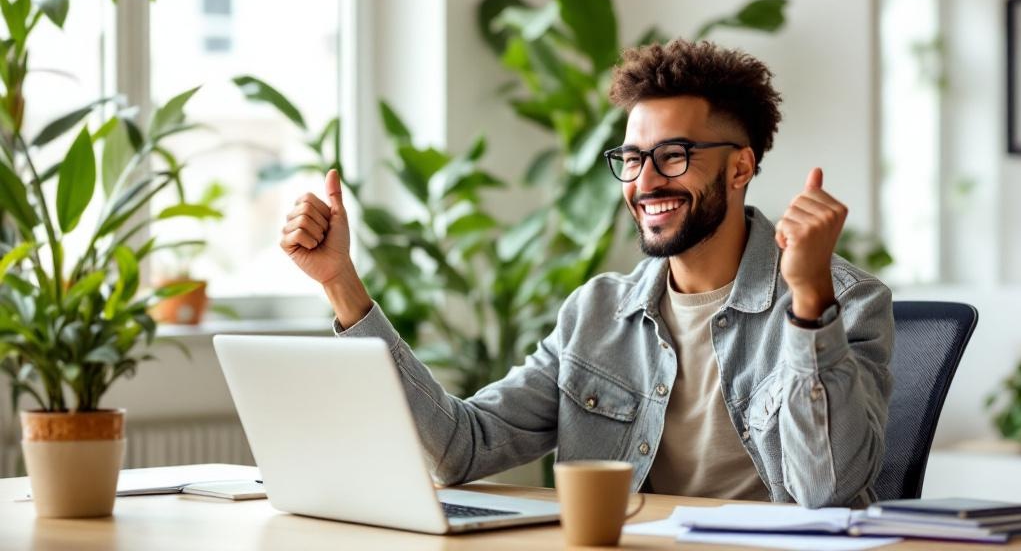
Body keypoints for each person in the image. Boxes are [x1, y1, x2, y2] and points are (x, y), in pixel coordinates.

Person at [280, 40, 893, 508]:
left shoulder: (848, 300)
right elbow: (460, 448)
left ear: (739, 169)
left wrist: (809, 299)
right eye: (631, 159)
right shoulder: (597, 315)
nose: (645, 182)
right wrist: (340, 282)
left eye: (672, 156)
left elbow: (826, 497)